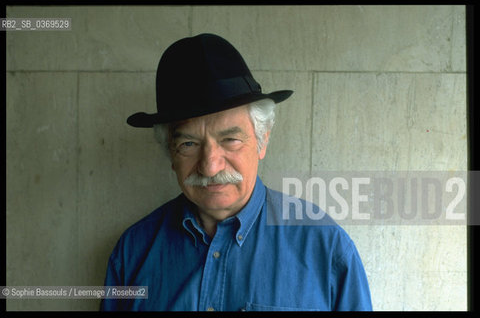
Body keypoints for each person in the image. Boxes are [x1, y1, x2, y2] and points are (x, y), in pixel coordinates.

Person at [100, 33, 372, 311]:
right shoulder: (133, 252)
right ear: (171, 153)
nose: (210, 166)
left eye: (230, 140)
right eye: (189, 144)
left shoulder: (325, 247)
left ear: (262, 140)